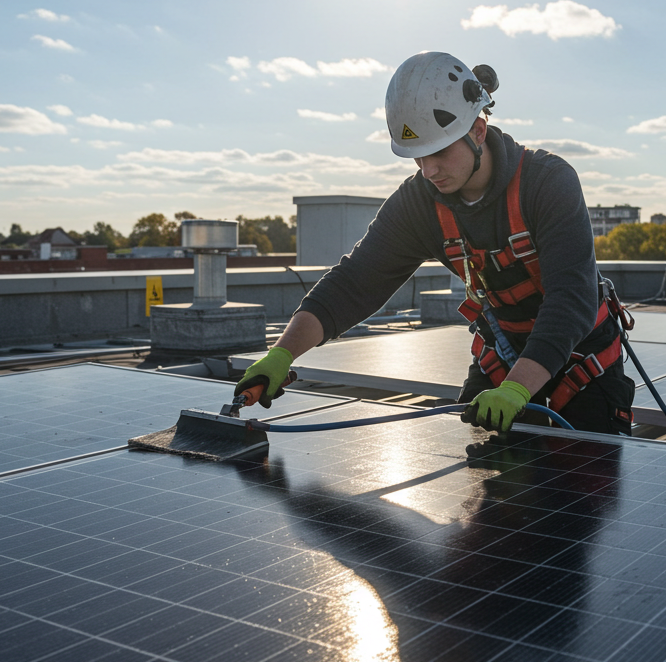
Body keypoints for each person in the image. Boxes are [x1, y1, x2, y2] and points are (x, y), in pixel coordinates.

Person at [237, 51, 634, 435]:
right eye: (417, 157)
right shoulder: (420, 204)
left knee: (585, 491)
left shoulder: (547, 184)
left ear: (478, 131)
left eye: (439, 152)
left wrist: (517, 388)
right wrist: (281, 353)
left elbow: (571, 301)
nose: (429, 171)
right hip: (504, 353)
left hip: (581, 356)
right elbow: (355, 282)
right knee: (492, 482)